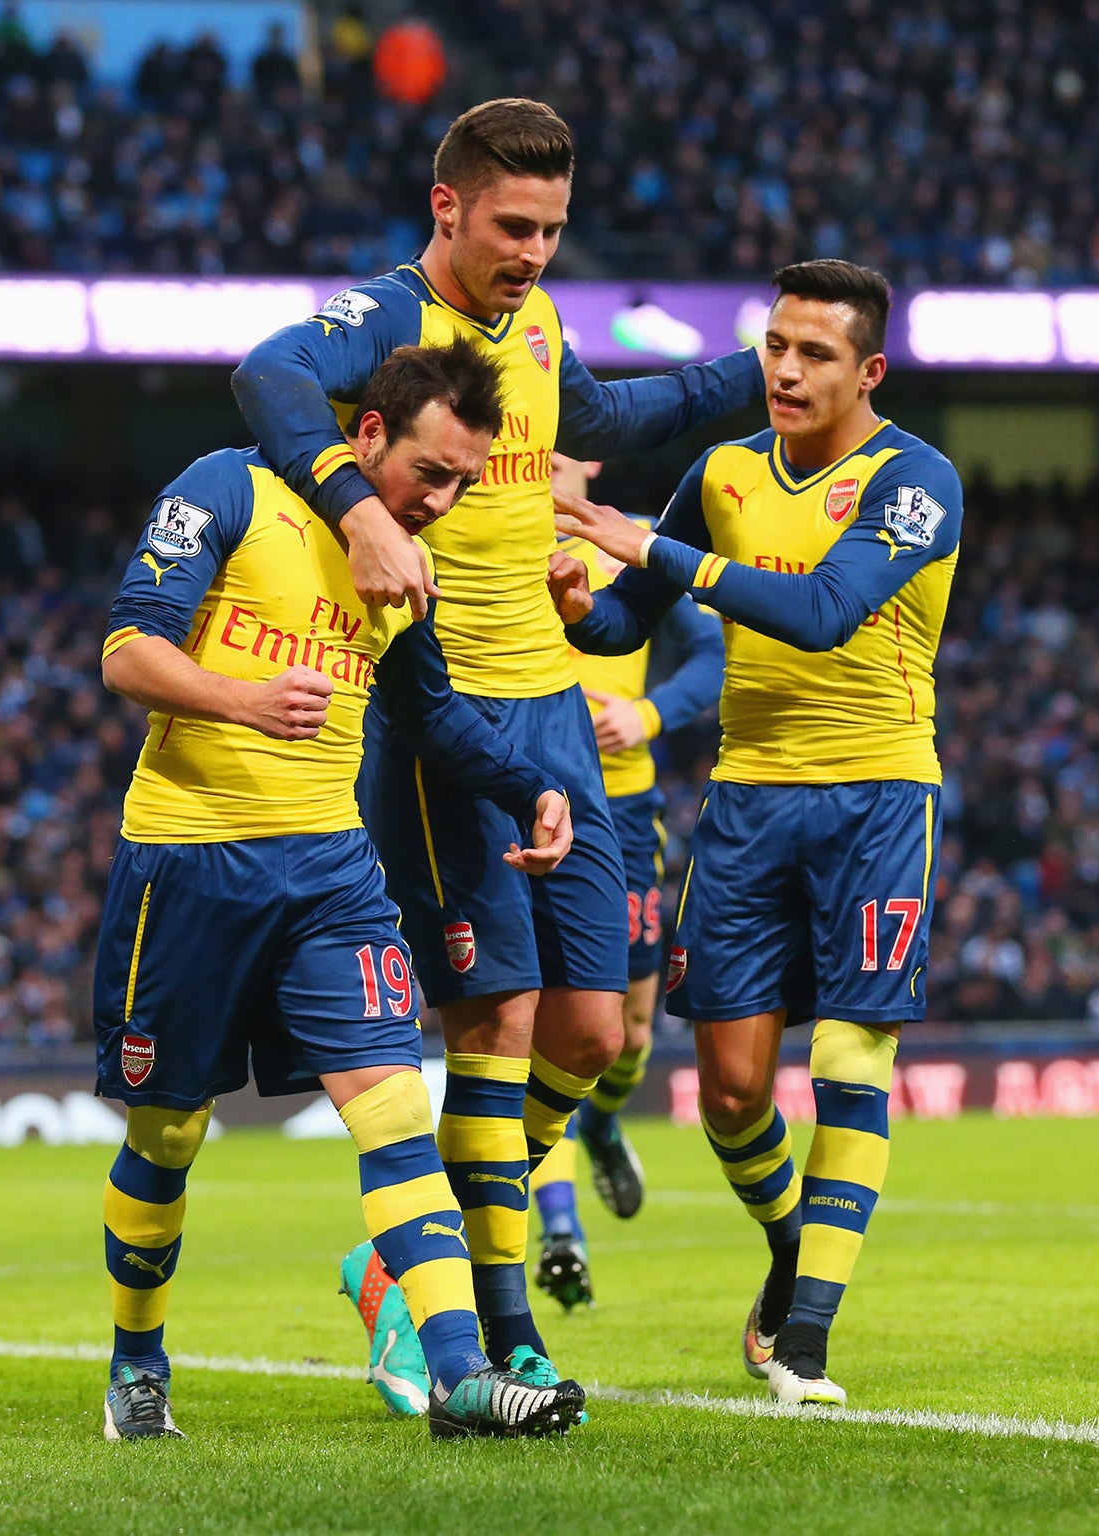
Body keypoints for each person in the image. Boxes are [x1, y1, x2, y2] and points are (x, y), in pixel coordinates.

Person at [230, 97, 761, 1394]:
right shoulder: (394, 316)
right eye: (512, 225)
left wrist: (768, 367)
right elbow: (265, 374)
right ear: (447, 206)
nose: (532, 251)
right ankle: (498, 1320)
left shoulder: (540, 320)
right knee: (497, 1018)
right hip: (443, 715)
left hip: (559, 709)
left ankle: (406, 1262)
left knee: (588, 1038)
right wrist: (355, 508)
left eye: (554, 230)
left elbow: (602, 418)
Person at [92, 338, 583, 1443]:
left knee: (399, 1108)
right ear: (366, 439)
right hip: (188, 864)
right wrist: (243, 698)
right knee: (167, 1136)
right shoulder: (230, 489)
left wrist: (528, 787)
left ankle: (458, 1378)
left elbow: (435, 715)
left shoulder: (408, 570)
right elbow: (127, 653)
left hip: (327, 873)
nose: (444, 502)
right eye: (430, 475)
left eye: (464, 482)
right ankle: (136, 1363)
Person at [550, 259, 960, 1407]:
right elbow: (634, 615)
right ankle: (792, 1251)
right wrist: (583, 603)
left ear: (867, 369)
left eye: (813, 352)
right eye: (774, 345)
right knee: (731, 1093)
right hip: (745, 806)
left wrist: (643, 549)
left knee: (844, 1059)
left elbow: (823, 613)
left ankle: (809, 1341)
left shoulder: (917, 481)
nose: (783, 369)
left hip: (877, 798)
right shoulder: (722, 472)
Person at [529, 454, 725, 1310]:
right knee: (547, 1027)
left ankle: (603, 1126)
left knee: (629, 1033)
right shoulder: (494, 544)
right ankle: (559, 1226)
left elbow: (712, 659)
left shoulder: (636, 546)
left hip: (626, 813)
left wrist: (644, 714)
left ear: (590, 465)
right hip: (529, 808)